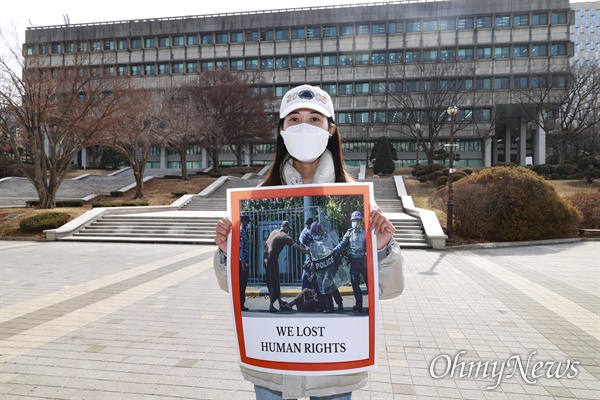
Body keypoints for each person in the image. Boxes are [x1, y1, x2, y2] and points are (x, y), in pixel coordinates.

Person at [214, 84, 404, 400]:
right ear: (281, 129)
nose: (304, 126)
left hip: (335, 369)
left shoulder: (359, 200)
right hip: (272, 365)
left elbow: (388, 288)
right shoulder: (253, 196)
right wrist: (225, 251)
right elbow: (228, 286)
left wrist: (383, 247)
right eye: (295, 119)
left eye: (315, 119)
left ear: (331, 129)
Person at [263, 221, 311, 313]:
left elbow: (266, 244)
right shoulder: (284, 237)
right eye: (288, 229)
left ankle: (280, 302)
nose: (288, 231)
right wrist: (308, 252)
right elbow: (298, 247)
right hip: (272, 260)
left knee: (271, 281)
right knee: (274, 282)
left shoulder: (274, 232)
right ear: (285, 228)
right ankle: (271, 305)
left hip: (265, 258)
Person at [333, 211, 367, 313]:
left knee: (369, 283)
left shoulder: (365, 232)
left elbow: (369, 246)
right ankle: (359, 305)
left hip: (364, 262)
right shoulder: (349, 233)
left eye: (355, 221)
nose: (353, 222)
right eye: (352, 221)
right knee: (355, 284)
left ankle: (374, 304)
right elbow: (342, 244)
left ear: (359, 221)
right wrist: (334, 250)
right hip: (354, 262)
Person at [310, 222, 344, 313]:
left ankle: (330, 307)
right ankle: (326, 304)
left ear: (320, 230)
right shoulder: (315, 240)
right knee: (322, 285)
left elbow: (333, 251)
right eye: (314, 234)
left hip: (331, 265)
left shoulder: (328, 239)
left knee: (326, 283)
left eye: (316, 233)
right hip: (321, 265)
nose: (316, 235)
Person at [240, 215, 250, 312]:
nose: (248, 224)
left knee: (243, 283)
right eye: (246, 221)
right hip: (242, 262)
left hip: (244, 261)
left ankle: (241, 304)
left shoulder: (243, 230)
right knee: (242, 284)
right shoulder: (241, 231)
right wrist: (243, 262)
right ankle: (241, 304)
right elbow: (240, 248)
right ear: (242, 221)